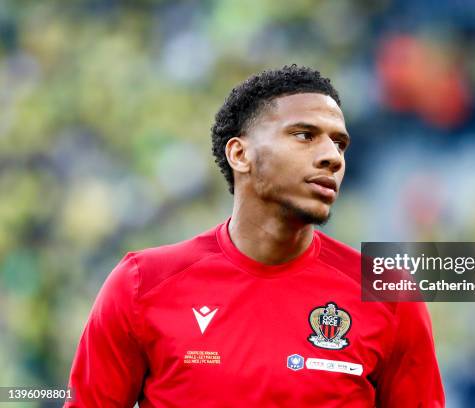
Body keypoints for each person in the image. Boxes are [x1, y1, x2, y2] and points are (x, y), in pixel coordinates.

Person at [65, 65, 445, 407]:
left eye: (339, 142)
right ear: (240, 154)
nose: (332, 156)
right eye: (305, 135)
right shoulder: (141, 283)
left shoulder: (390, 294)